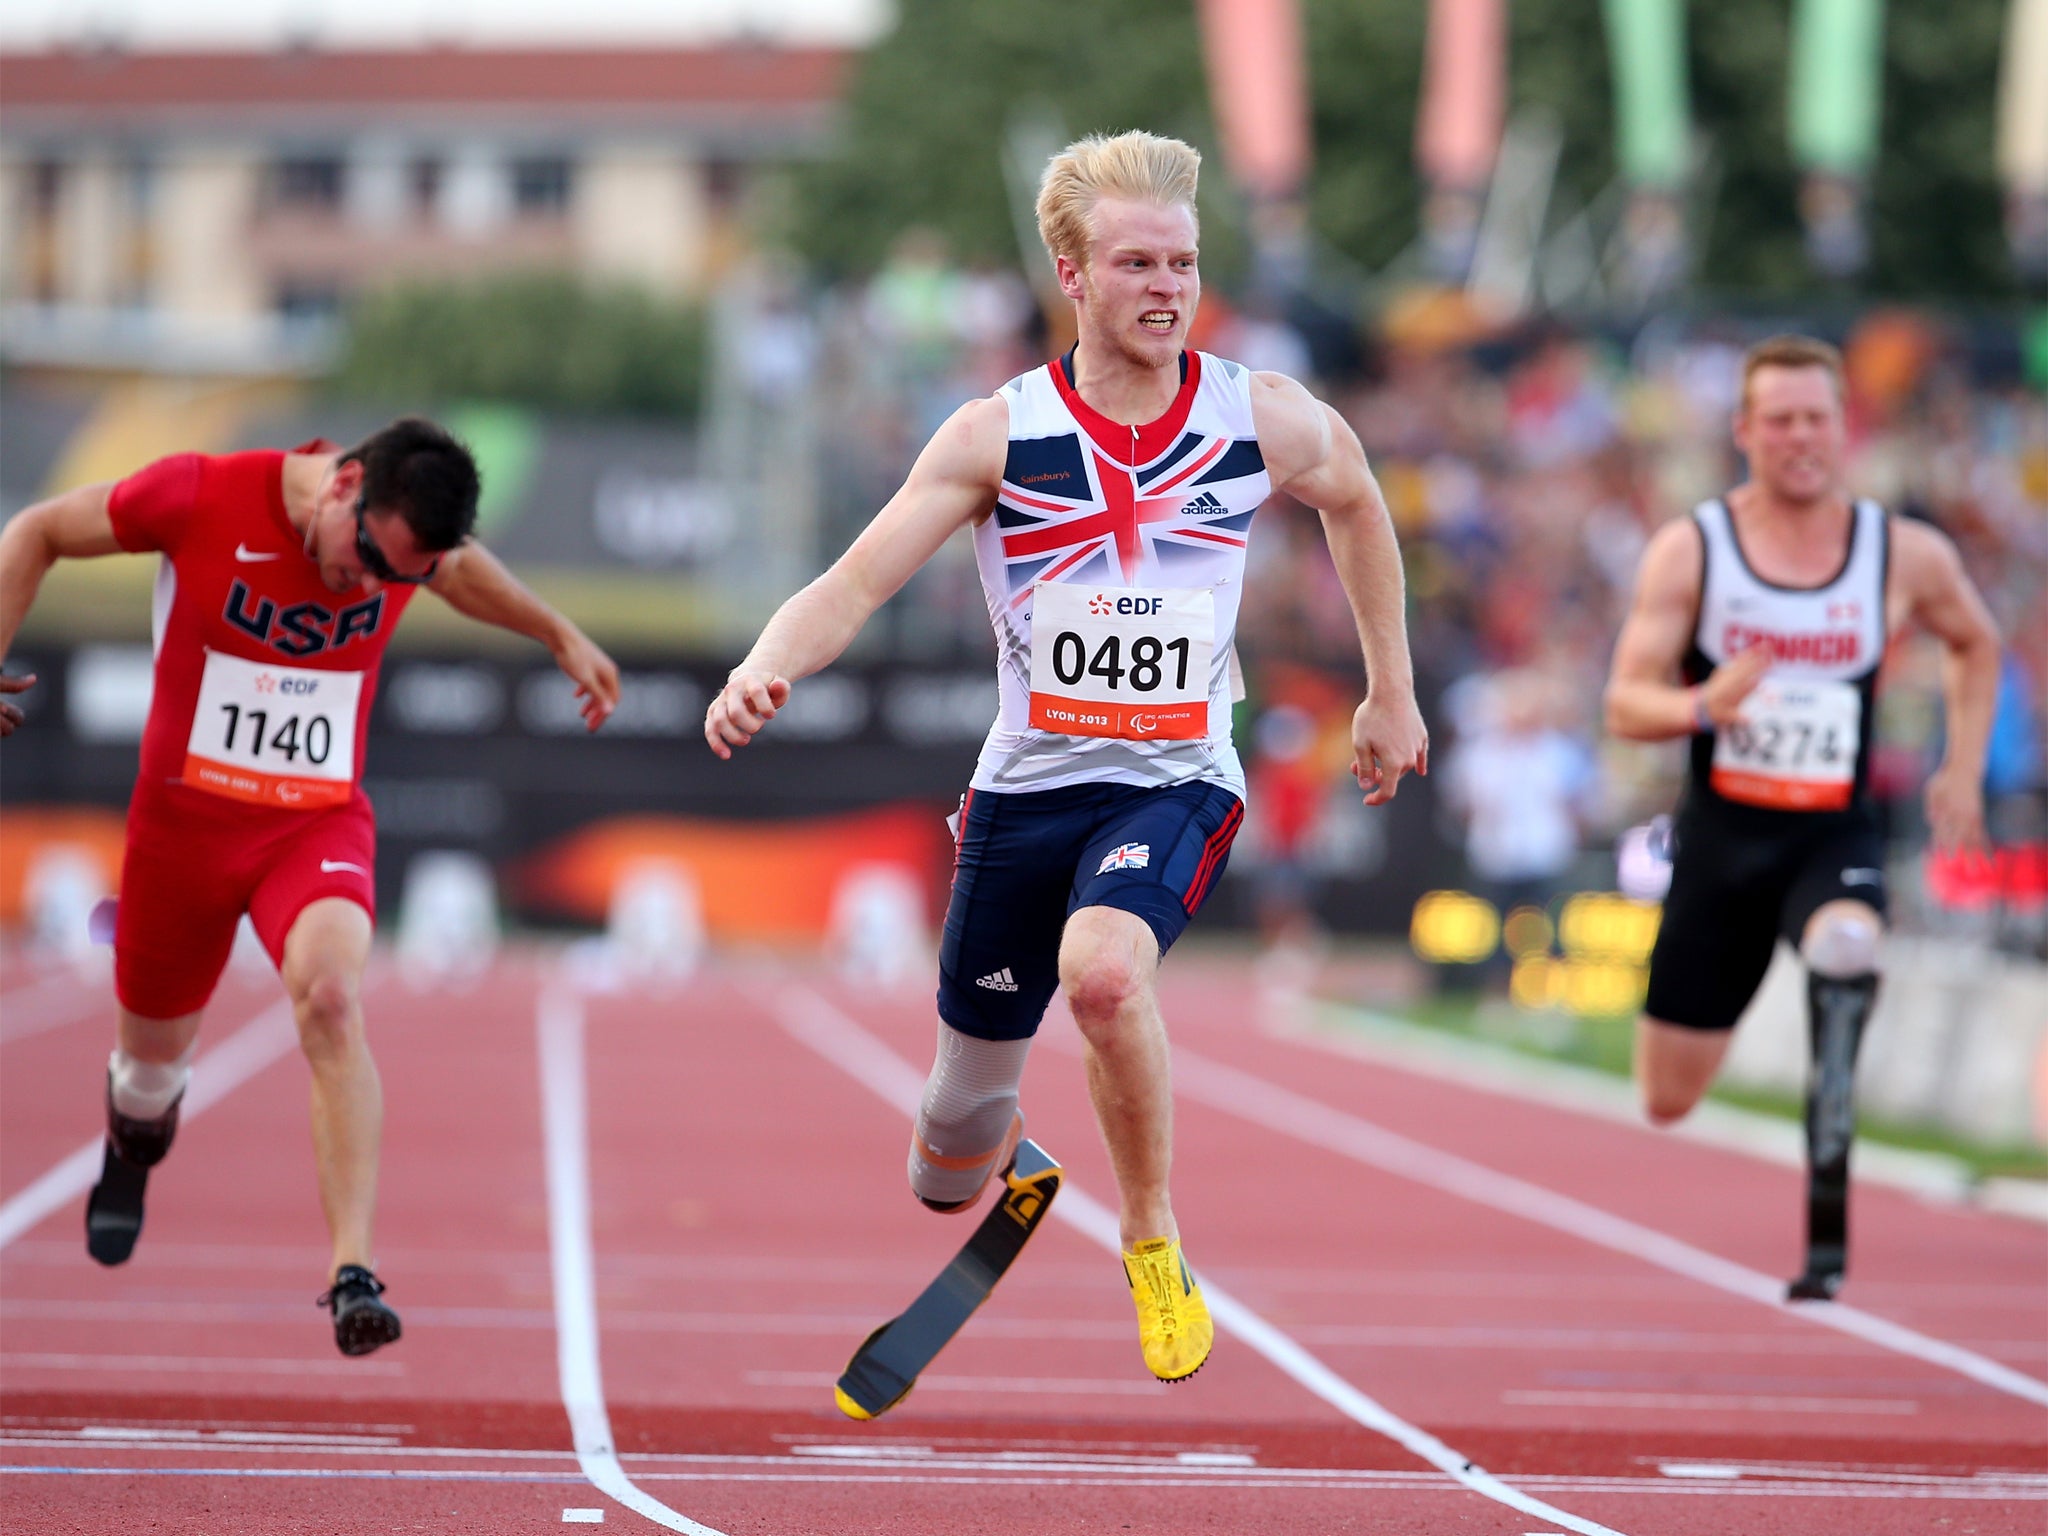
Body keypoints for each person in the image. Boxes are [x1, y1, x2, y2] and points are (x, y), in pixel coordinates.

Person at [705, 131, 1426, 1382]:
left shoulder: (1255, 415)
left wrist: (1389, 691)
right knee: (947, 1152)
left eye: (1183, 263)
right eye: (1137, 263)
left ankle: (1149, 1238)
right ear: (1072, 275)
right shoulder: (995, 436)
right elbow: (854, 581)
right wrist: (763, 664)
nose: (1167, 287)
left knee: (1100, 979)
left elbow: (1358, 500)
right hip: (1025, 795)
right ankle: (1005, 1155)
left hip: (1175, 779)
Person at [0, 418, 620, 1354]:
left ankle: (352, 1274)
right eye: (368, 558)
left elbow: (459, 572)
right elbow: (39, 530)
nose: (368, 589)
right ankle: (133, 1142)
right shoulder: (198, 495)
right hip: (183, 835)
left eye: (399, 580)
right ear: (342, 485)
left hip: (312, 823)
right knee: (148, 1081)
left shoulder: (404, 549)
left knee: (331, 999)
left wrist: (559, 633)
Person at [1604, 335, 2000, 1298]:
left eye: (1816, 418)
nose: (1800, 437)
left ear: (1843, 428)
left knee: (1848, 948)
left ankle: (1828, 1188)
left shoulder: (1899, 553)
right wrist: (1702, 705)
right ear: (1745, 432)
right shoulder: (1696, 549)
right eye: (1779, 420)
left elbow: (1975, 641)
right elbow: (1624, 702)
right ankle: (1797, 1064)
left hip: (1834, 833)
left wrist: (1961, 768)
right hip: (1722, 845)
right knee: (1666, 1096)